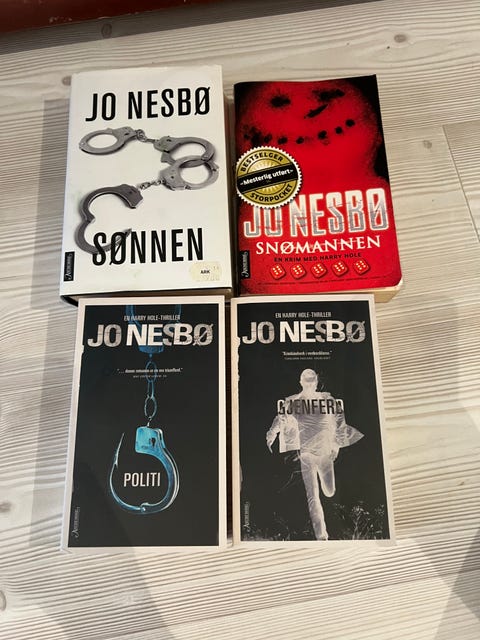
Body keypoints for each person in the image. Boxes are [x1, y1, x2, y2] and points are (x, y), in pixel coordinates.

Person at [266, 369, 363, 540]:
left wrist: (336, 446)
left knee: (330, 491)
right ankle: (321, 536)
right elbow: (280, 419)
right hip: (306, 454)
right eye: (307, 381)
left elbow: (340, 423)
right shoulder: (293, 402)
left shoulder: (328, 401)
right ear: (301, 382)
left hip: (325, 453)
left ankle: (329, 494)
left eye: (313, 381)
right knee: (312, 495)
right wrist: (271, 435)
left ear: (317, 382)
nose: (310, 384)